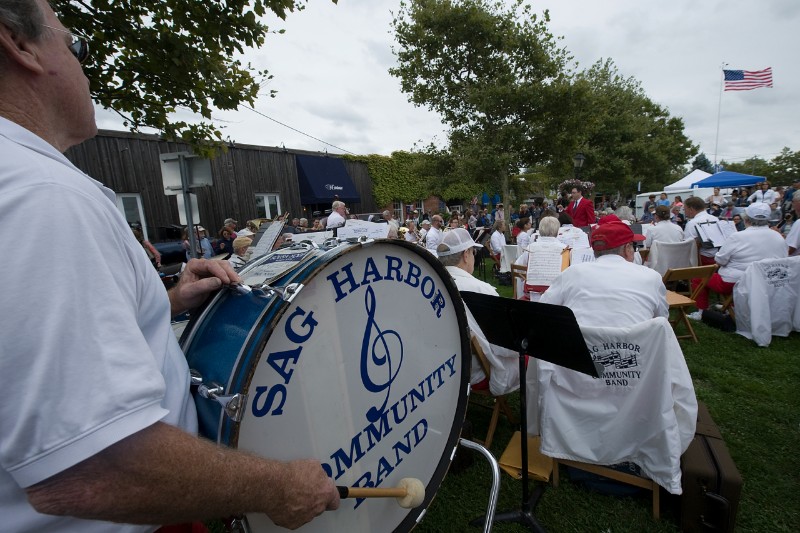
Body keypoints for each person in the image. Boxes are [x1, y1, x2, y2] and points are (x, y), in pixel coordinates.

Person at [0, 2, 338, 531]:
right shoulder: (42, 198)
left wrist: (168, 302)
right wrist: (276, 486)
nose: (84, 64)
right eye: (76, 45)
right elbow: (94, 468)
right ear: (18, 46)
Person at [437, 228, 520, 396]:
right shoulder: (481, 290)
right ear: (466, 254)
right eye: (473, 252)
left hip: (441, 367)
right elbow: (506, 345)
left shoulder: (432, 285)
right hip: (474, 372)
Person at [541, 217, 668, 326]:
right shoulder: (652, 277)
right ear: (627, 249)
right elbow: (662, 320)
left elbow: (544, 309)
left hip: (582, 350)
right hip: (637, 350)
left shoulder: (571, 273)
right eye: (633, 246)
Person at [690, 203, 788, 313]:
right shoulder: (777, 236)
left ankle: (701, 312)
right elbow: (784, 259)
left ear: (746, 219)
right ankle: (731, 305)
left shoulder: (737, 237)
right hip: (768, 282)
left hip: (736, 282)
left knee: (699, 277)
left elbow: (719, 261)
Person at [683, 196, 720, 266]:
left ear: (691, 209)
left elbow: (687, 246)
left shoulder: (692, 223)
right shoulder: (715, 219)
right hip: (717, 257)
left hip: (701, 259)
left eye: (685, 209)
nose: (685, 212)